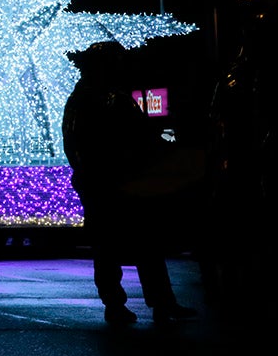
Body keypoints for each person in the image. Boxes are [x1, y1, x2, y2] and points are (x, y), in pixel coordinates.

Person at [62, 41, 199, 325]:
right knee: (119, 246)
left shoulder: (104, 97)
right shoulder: (93, 99)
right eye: (114, 62)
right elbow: (79, 143)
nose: (121, 67)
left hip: (119, 181)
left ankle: (153, 302)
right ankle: (126, 304)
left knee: (136, 244)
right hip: (108, 182)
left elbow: (139, 136)